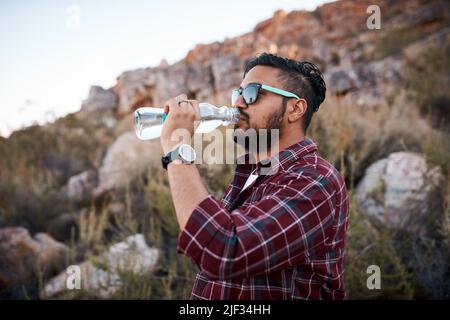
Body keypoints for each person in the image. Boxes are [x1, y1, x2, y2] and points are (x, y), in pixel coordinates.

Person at [159, 52, 349, 300]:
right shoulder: (253, 173)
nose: (238, 103)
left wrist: (177, 149)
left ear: (295, 109)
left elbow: (223, 251)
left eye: (253, 93)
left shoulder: (315, 180)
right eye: (238, 93)